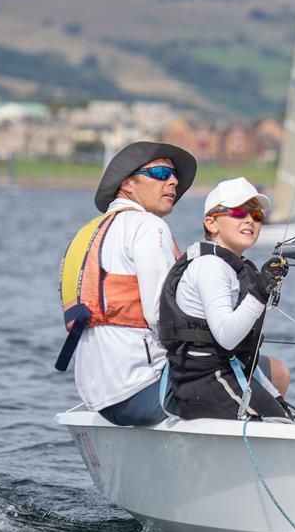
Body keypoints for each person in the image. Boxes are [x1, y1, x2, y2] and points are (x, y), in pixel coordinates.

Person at [56, 141, 197, 426]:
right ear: (127, 184)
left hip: (98, 397)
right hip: (141, 389)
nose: (173, 181)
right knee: (268, 371)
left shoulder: (87, 233)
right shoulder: (148, 226)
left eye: (174, 177)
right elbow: (162, 317)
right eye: (159, 173)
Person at [158, 177, 292, 421]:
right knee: (278, 423)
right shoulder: (211, 267)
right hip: (201, 383)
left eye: (257, 215)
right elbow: (227, 338)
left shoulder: (231, 267)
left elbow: (242, 358)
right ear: (211, 223)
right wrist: (261, 290)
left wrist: (276, 397)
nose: (250, 219)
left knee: (287, 417)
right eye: (239, 212)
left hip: (224, 376)